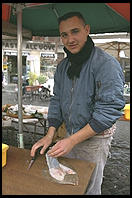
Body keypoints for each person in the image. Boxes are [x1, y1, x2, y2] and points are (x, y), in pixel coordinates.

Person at [31, 12, 125, 195]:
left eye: (75, 31)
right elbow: (57, 100)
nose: (70, 39)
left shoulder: (106, 64)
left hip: (95, 140)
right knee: (69, 186)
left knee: (88, 187)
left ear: (87, 30)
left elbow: (108, 112)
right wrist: (50, 135)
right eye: (64, 35)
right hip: (68, 134)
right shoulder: (63, 66)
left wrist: (72, 140)